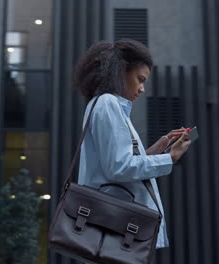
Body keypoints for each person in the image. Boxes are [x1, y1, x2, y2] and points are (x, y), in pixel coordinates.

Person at [73, 39, 191, 249]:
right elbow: (119, 168)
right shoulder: (108, 104)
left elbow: (118, 163)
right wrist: (170, 157)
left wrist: (160, 146)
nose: (142, 89)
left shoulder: (104, 105)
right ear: (120, 72)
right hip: (116, 227)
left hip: (112, 226)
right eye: (140, 79)